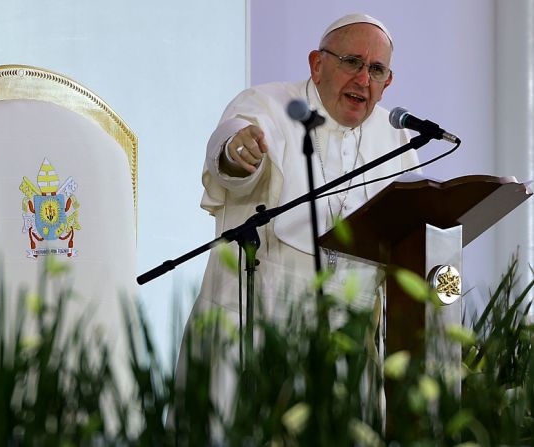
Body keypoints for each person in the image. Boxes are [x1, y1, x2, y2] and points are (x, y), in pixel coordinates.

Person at [178, 13, 420, 418]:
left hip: (347, 347)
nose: (363, 79)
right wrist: (238, 153)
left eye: (376, 69)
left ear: (388, 82)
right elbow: (233, 149)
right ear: (317, 63)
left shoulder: (396, 139)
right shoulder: (268, 104)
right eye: (352, 62)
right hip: (250, 331)